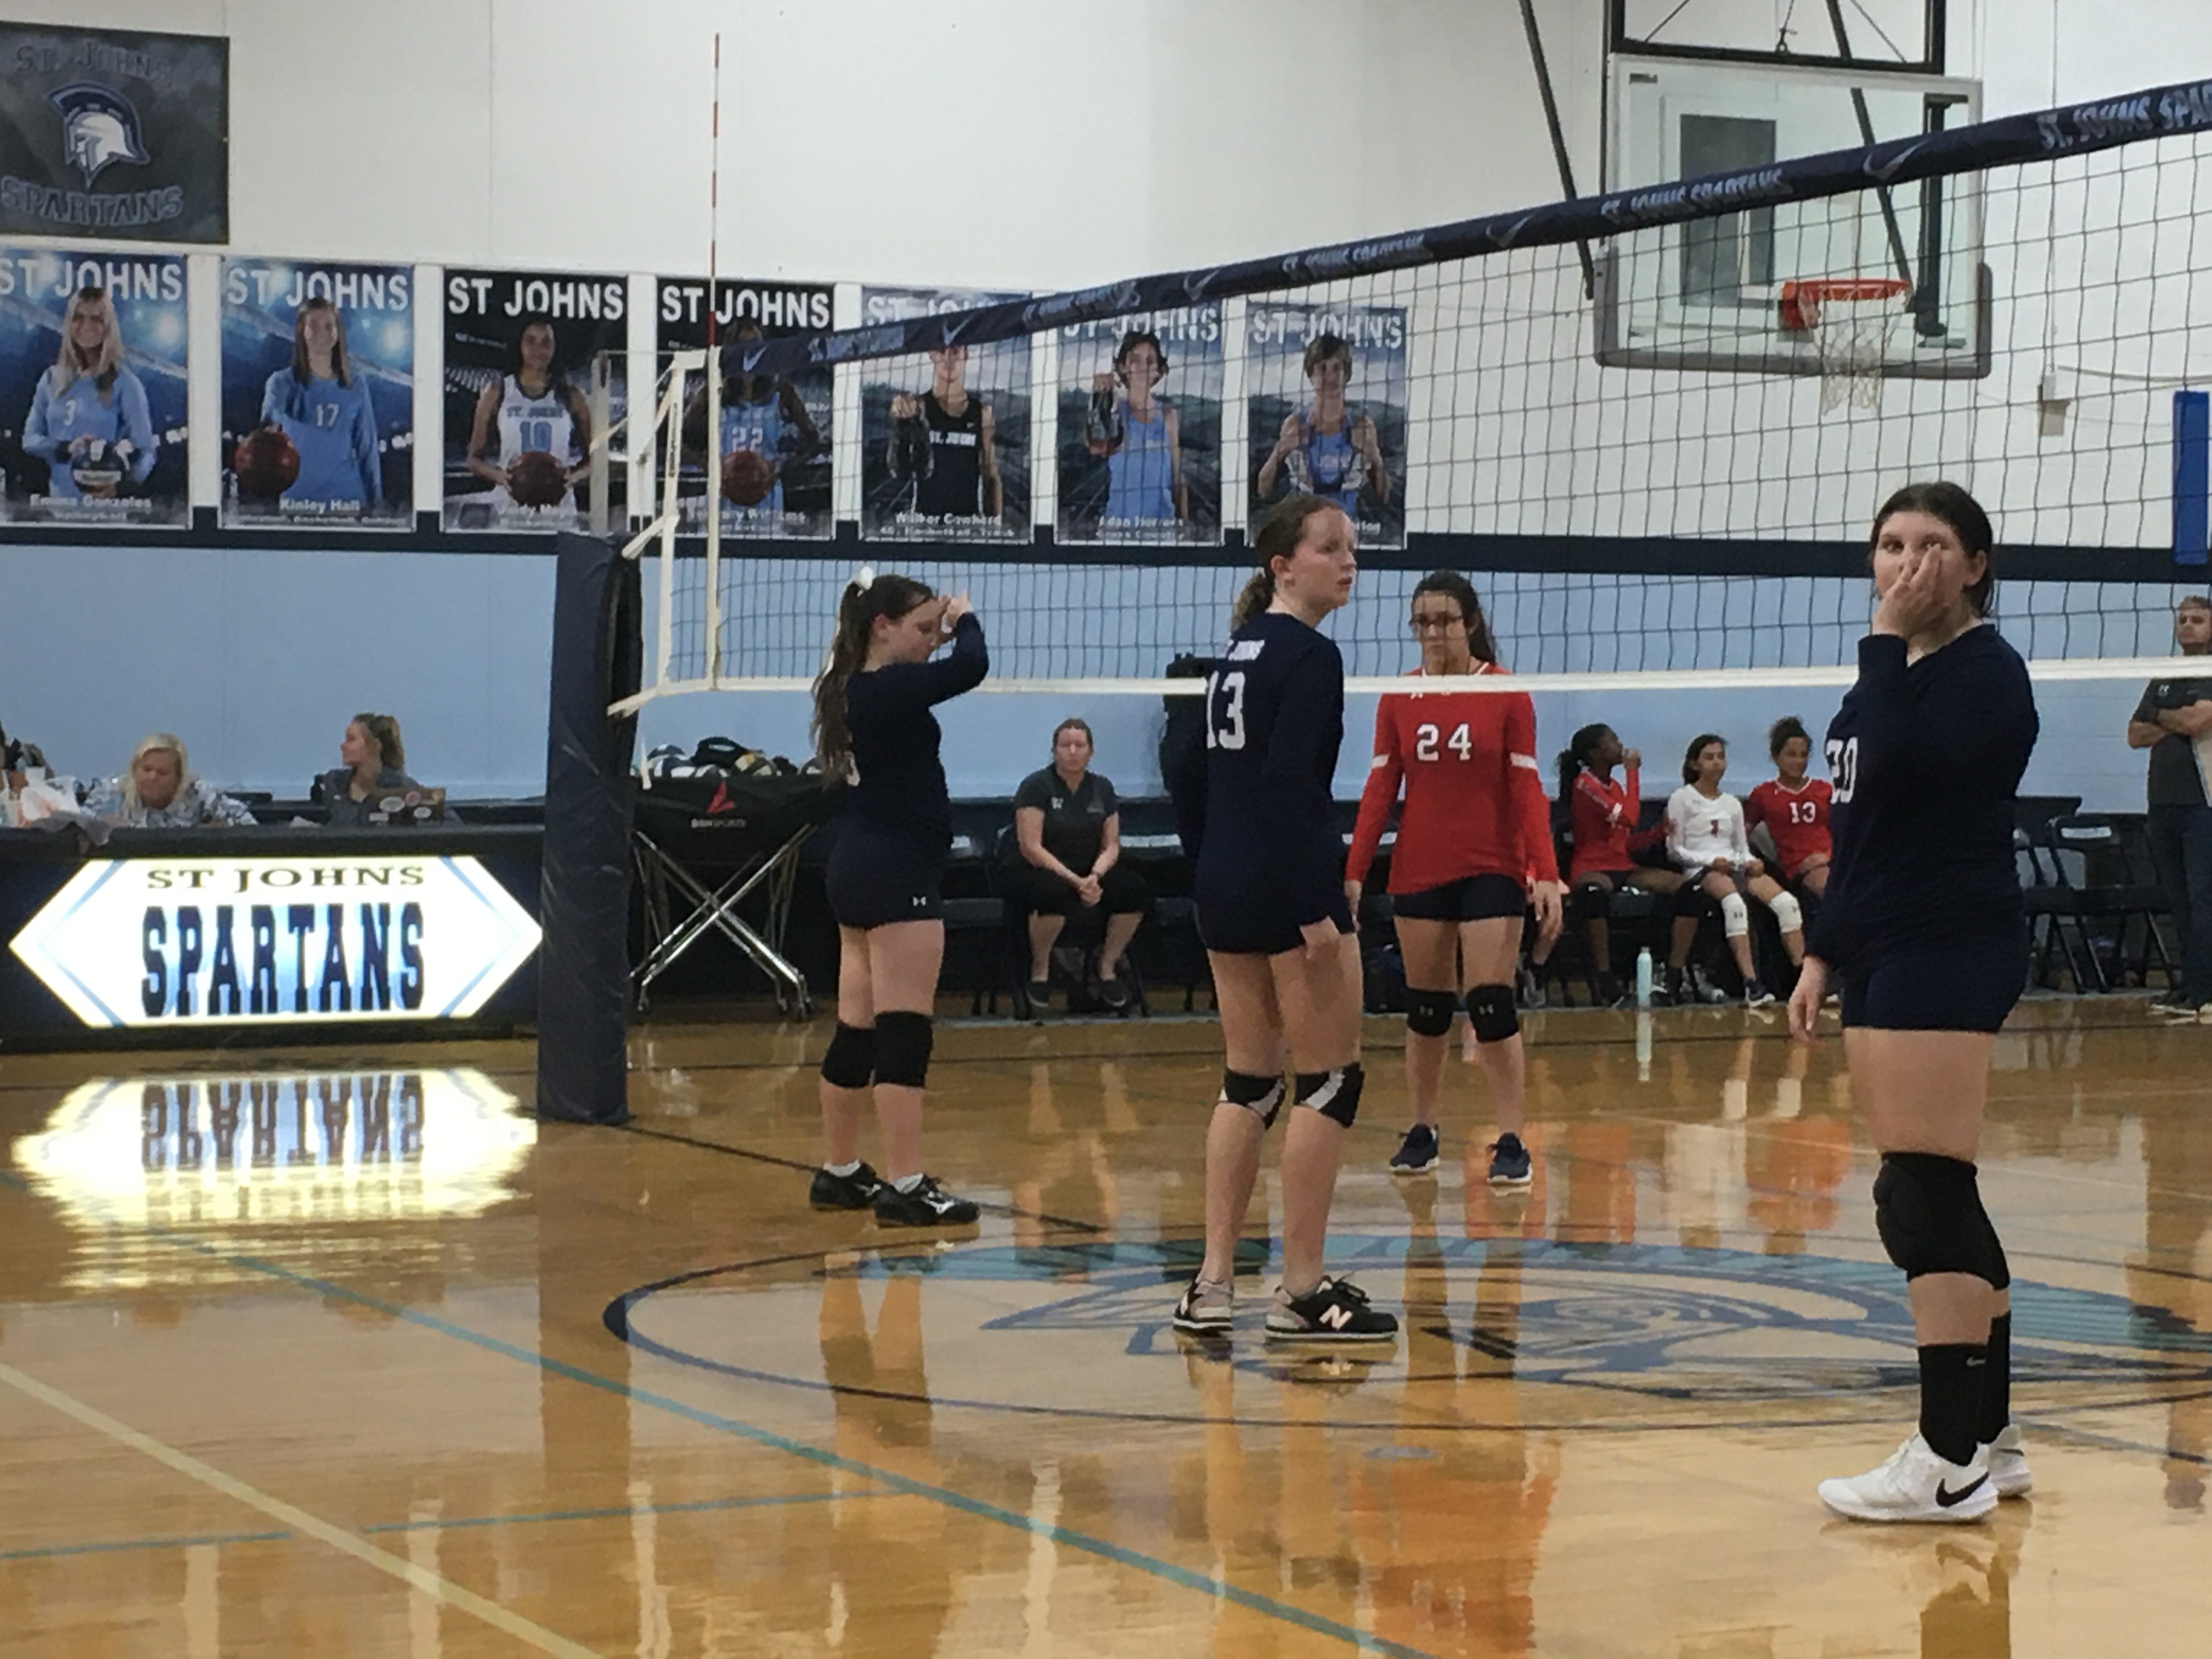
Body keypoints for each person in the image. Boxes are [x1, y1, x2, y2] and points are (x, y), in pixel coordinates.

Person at [1787, 481, 2039, 1523]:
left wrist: (1883, 640)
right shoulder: (1887, 678)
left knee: (1923, 1192)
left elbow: (1899, 764)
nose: (1905, 563)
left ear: (1974, 566)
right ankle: (1991, 1438)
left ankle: (1945, 1461)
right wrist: (1822, 951)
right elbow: (1860, 830)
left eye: (1930, 545)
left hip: (1948, 940)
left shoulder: (1985, 673)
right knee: (1932, 1190)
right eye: (1890, 544)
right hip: (1885, 943)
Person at [1164, 495, 1396, 1343]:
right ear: (1282, 566)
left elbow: (1183, 768)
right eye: (1330, 547)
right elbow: (1294, 789)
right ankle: (1301, 1291)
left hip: (1225, 886)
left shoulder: (1233, 653)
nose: (1349, 561)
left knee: (1250, 1082)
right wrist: (1313, 909)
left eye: (1353, 548)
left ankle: (1211, 1285)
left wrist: (1212, 861)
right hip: (1286, 889)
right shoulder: (1310, 656)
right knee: (1330, 1080)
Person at [1344, 571, 1564, 1184]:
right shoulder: (1400, 695)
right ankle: (1423, 1129)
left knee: (1491, 1004)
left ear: (1470, 622)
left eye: (1444, 619)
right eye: (1422, 621)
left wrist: (1545, 872)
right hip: (1420, 865)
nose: (1433, 632)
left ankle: (1512, 1138)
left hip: (1492, 865)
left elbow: (1527, 788)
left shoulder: (1505, 691)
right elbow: (1381, 787)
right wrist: (1355, 869)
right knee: (1427, 1008)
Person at [807, 572, 989, 1226]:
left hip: (857, 867)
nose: (932, 640)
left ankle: (839, 1171)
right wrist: (964, 622)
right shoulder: (886, 688)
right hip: (895, 871)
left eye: (936, 629)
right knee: (904, 1030)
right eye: (922, 629)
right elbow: (972, 666)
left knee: (857, 1028)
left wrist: (936, 629)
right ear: (881, 628)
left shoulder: (849, 686)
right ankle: (907, 1184)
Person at [1008, 718, 1149, 1012]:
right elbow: (1031, 847)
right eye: (1065, 745)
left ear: (1091, 751)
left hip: (1090, 869)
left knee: (1134, 890)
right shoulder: (1036, 786)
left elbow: (1111, 844)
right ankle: (1041, 969)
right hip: (1046, 869)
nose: (1073, 751)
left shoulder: (1102, 788)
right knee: (1050, 893)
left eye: (1080, 745)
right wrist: (1075, 880)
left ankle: (1107, 967)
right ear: (1054, 751)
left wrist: (1095, 876)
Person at [1664, 735, 1803, 1007]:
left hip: (1732, 865)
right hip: (1701, 869)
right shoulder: (1682, 799)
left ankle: (1803, 977)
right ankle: (1752, 984)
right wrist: (1710, 861)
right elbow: (1675, 850)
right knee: (1734, 903)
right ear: (1695, 764)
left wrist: (1751, 862)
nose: (1717, 763)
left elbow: (1741, 848)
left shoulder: (1731, 803)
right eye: (1709, 758)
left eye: (1720, 757)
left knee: (1787, 904)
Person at [2126, 595, 2212, 1019]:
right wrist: (2172, 718)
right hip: (2162, 806)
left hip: (2204, 805)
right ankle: (2189, 987)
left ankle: (2206, 992)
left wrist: (2159, 717)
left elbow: (2197, 723)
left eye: (2198, 619)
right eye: (2182, 619)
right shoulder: (2164, 675)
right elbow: (2134, 734)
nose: (2188, 625)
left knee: (2203, 899)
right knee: (2177, 901)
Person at [1558, 724, 1681, 1005]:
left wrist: (1656, 834)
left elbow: (1625, 840)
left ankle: (1669, 969)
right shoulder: (1585, 785)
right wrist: (1633, 771)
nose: (1619, 745)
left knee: (1684, 889)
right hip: (1592, 867)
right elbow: (1629, 817)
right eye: (1612, 741)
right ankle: (1605, 978)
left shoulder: (1613, 787)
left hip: (1621, 866)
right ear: (1595, 753)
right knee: (1593, 894)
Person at [22, 286, 156, 503]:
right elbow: (30, 439)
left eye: (96, 319)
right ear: (69, 323)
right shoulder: (51, 379)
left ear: (109, 326)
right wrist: (66, 447)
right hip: (58, 508)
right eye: (79, 317)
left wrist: (120, 487)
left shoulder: (125, 383)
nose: (87, 326)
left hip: (108, 511)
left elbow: (147, 451)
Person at [685, 320, 824, 523]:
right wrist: (709, 468)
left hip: (765, 493)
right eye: (743, 345)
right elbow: (677, 440)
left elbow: (815, 441)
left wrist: (782, 469)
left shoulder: (780, 391)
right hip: (724, 493)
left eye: (756, 344)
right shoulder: (714, 390)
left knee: (766, 542)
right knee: (719, 542)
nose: (750, 351)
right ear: (732, 349)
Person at [259, 297, 382, 512]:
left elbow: (367, 446)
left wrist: (376, 500)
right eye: (313, 326)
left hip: (347, 501)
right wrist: (268, 430)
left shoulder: (356, 385)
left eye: (329, 326)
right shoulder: (282, 382)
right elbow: (270, 427)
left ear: (338, 333)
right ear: (302, 331)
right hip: (297, 503)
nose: (321, 333)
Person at [1255, 333, 1390, 518]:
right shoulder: (1295, 425)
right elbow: (1263, 489)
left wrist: (1375, 457)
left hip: (1345, 527)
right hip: (1304, 526)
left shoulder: (1362, 426)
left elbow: (1383, 496)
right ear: (1311, 375)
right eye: (1322, 368)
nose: (1330, 376)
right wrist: (1281, 450)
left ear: (1347, 374)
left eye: (1337, 368)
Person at [465, 313, 591, 510]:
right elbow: (473, 460)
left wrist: (571, 478)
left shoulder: (572, 395)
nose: (538, 349)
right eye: (531, 341)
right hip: (509, 507)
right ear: (519, 345)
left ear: (556, 347)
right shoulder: (498, 392)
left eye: (546, 342)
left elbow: (597, 459)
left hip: (558, 510)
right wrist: (502, 478)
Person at [1085, 329, 1184, 530]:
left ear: (1159, 370)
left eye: (1150, 361)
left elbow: (1177, 477)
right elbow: (1097, 447)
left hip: (1160, 528)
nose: (1143, 368)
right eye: (1135, 360)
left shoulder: (1168, 416)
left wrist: (1185, 525)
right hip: (1118, 528)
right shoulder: (1114, 411)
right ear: (1123, 367)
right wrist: (1099, 398)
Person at [888, 345, 1001, 521]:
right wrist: (901, 423)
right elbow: (900, 467)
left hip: (966, 522)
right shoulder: (919, 407)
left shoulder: (982, 413)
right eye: (941, 352)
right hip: (925, 521)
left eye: (955, 352)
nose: (949, 360)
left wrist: (996, 523)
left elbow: (990, 474)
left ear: (965, 355)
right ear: (932, 355)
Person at [82, 734, 256, 828]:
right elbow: (75, 827)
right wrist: (101, 828)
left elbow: (250, 826)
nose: (152, 777)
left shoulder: (197, 793)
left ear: (179, 778)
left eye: (162, 772)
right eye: (147, 770)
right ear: (134, 770)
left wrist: (217, 833)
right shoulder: (111, 792)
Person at [1746, 715, 1835, 900]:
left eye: (1803, 755)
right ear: (1775, 756)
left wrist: (1827, 856)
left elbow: (1845, 831)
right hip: (1799, 869)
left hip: (1831, 859)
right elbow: (1741, 834)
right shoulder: (1764, 795)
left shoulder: (1824, 790)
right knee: (1832, 889)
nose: (1799, 761)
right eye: (1791, 755)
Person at [315, 714, 420, 827]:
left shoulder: (403, 788)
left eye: (351, 739)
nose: (343, 746)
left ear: (374, 745)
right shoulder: (334, 784)